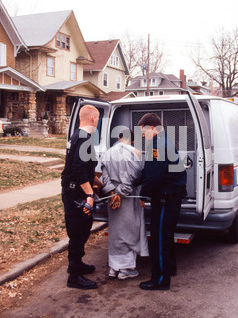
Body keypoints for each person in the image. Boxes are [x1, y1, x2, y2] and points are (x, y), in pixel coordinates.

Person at [138, 113, 187, 291]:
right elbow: (154, 171)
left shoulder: (157, 145)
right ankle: (170, 269)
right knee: (167, 236)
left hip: (165, 199)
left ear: (151, 128)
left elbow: (153, 177)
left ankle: (159, 280)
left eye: (143, 132)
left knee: (158, 239)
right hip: (173, 196)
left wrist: (142, 196)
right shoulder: (166, 140)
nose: (142, 136)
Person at [61, 104, 103, 290]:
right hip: (76, 194)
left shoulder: (77, 136)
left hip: (74, 191)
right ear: (94, 118)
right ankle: (74, 276)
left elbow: (84, 168)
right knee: (78, 233)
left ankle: (78, 265)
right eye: (98, 119)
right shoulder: (85, 138)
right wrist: (89, 194)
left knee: (83, 229)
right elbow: (78, 170)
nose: (98, 122)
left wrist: (101, 184)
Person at [101, 128, 149, 280]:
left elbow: (104, 177)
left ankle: (113, 268)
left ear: (119, 137)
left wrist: (112, 193)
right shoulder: (136, 152)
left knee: (115, 232)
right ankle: (126, 269)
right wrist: (120, 193)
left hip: (113, 198)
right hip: (129, 197)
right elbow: (131, 179)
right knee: (130, 230)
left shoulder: (107, 153)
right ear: (133, 140)